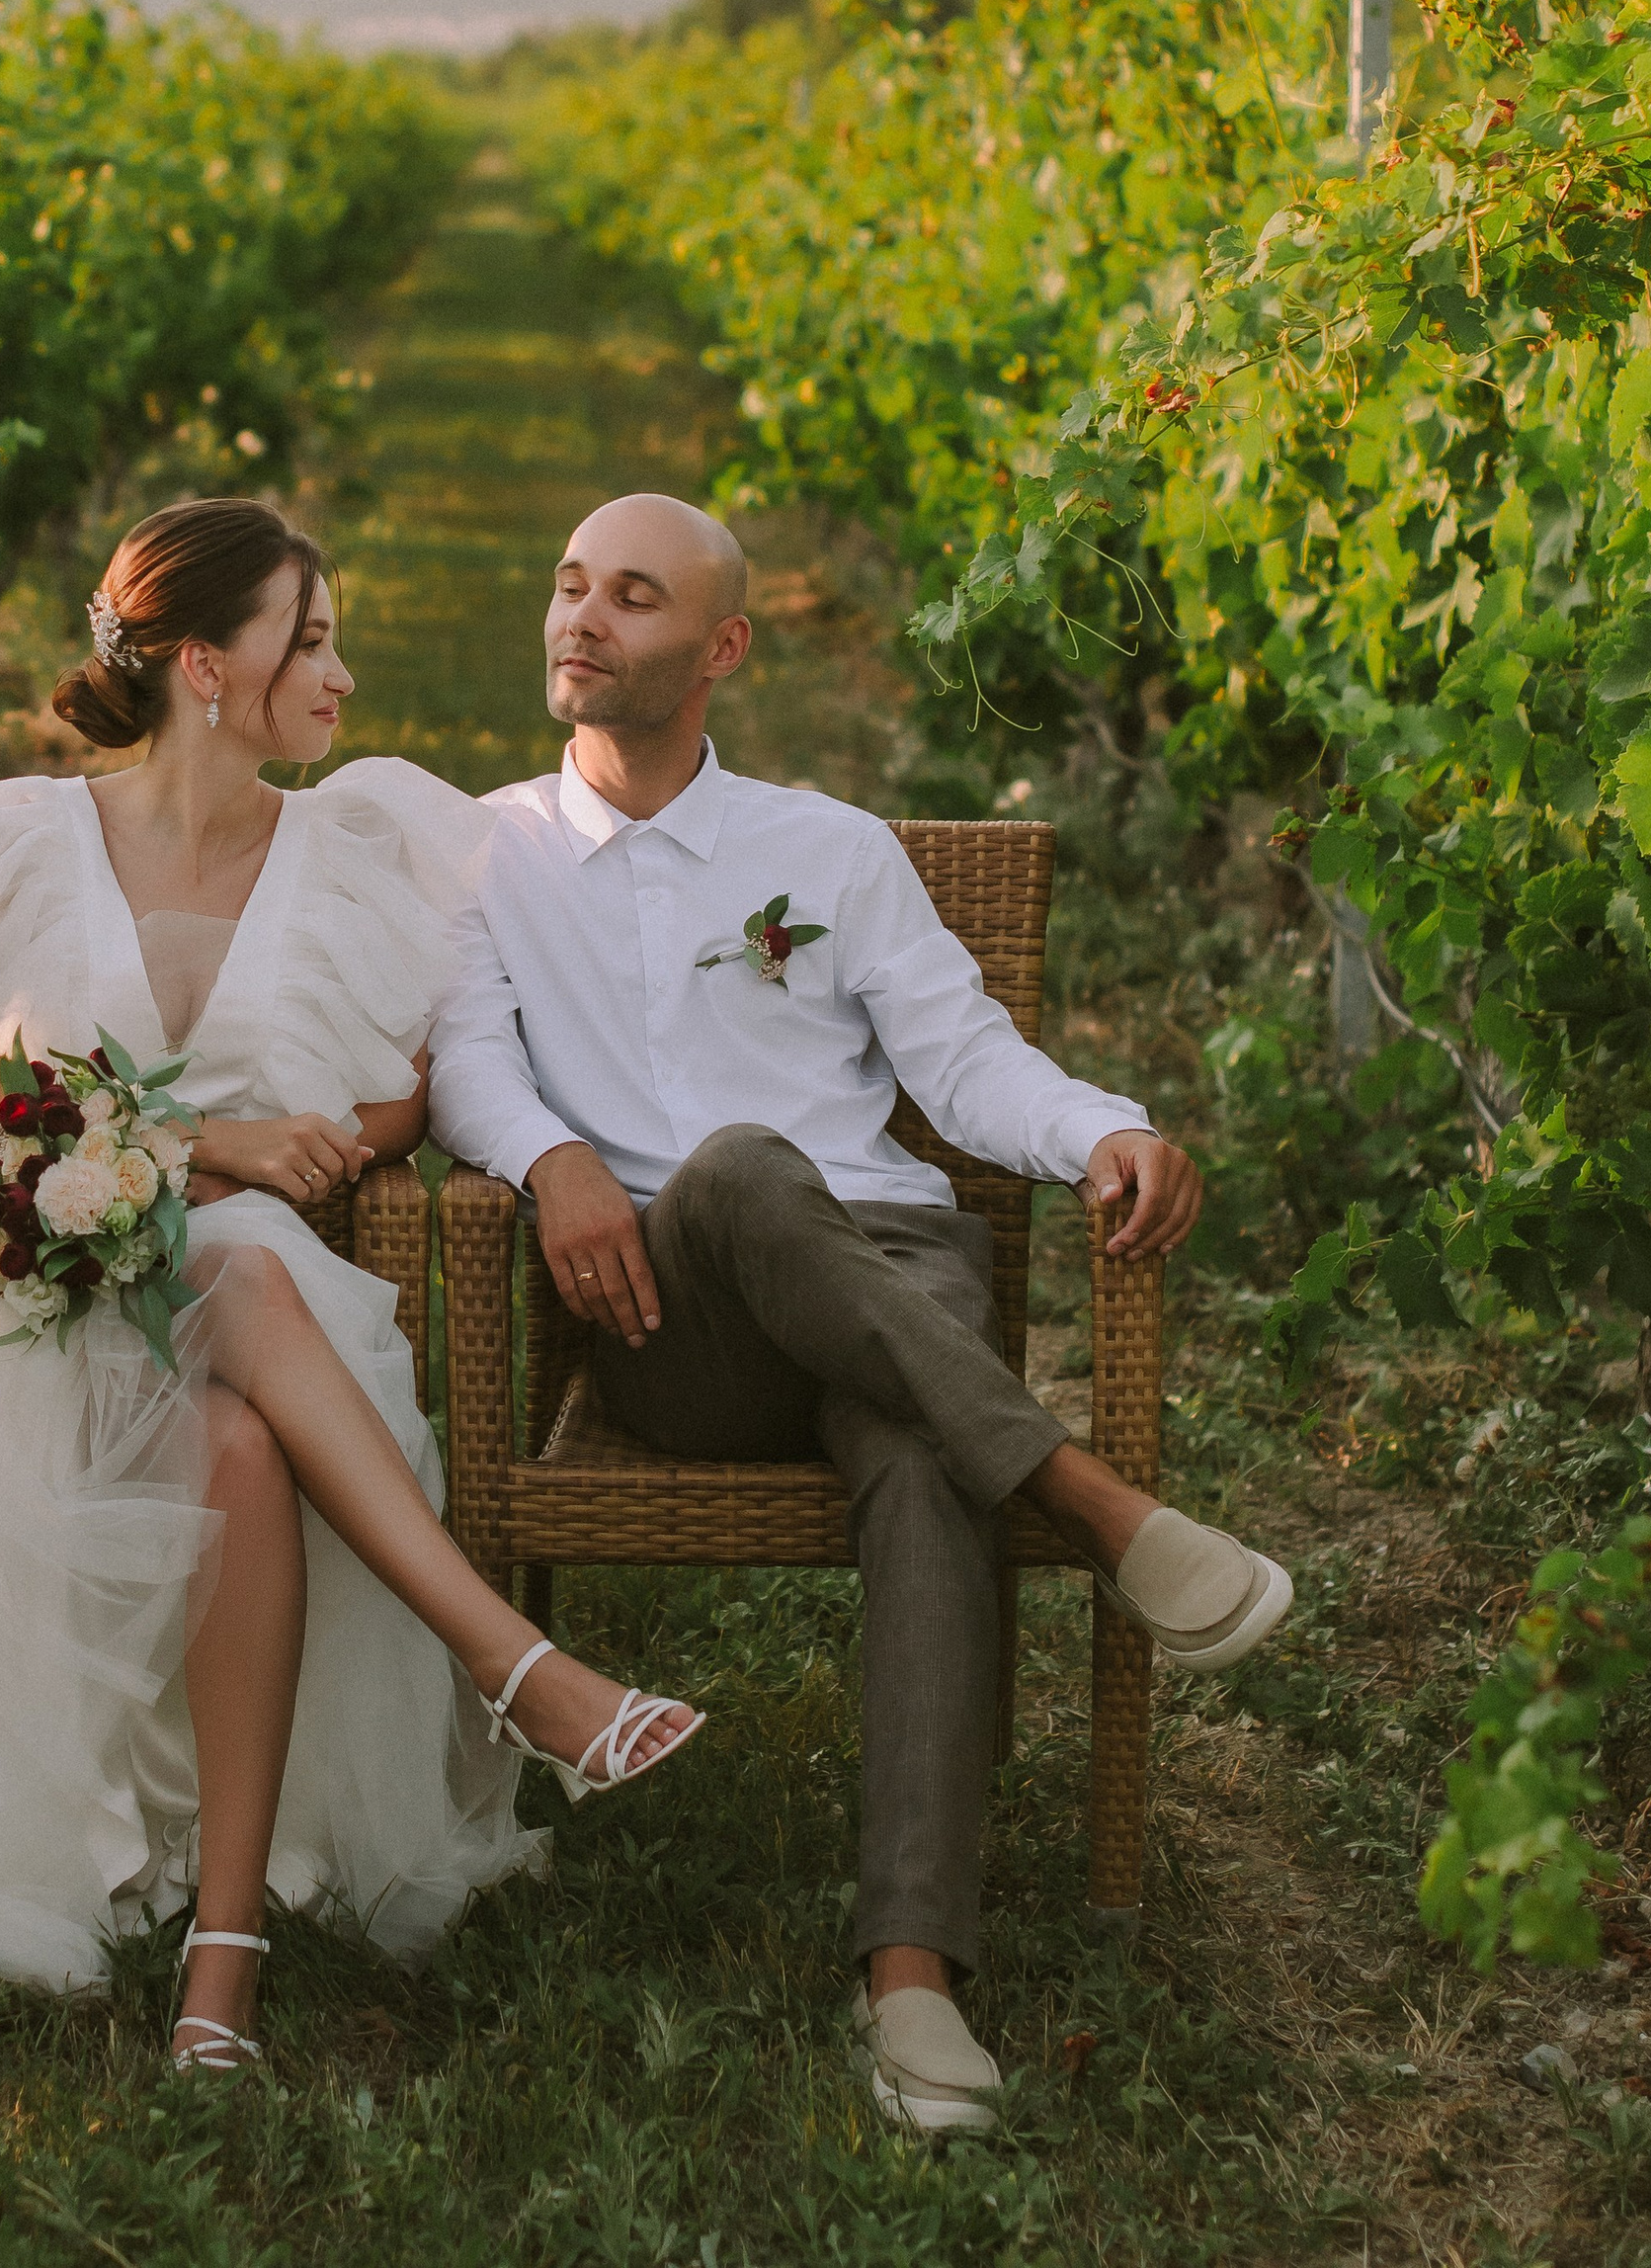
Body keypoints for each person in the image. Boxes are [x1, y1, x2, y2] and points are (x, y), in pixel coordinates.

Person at [0, 496, 701, 2059]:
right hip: (24, 1267)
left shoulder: (349, 840)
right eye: (307, 640)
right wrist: (226, 1145)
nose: (340, 674)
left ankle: (226, 1958)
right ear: (206, 663)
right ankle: (505, 1667)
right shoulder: (27, 841)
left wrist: (301, 1141)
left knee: (245, 1388)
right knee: (242, 1269)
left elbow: (394, 1090)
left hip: (237, 1306)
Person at [427, 491, 1291, 2139]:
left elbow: (960, 1062)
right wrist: (549, 1157)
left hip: (890, 1264)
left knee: (916, 1437)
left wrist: (1103, 1121)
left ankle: (912, 1977)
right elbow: (466, 1051)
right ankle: (1090, 1499)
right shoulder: (487, 849)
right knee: (747, 1169)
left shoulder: (826, 850)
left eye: (632, 595)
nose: (579, 618)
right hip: (682, 1314)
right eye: (566, 586)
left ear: (723, 648)